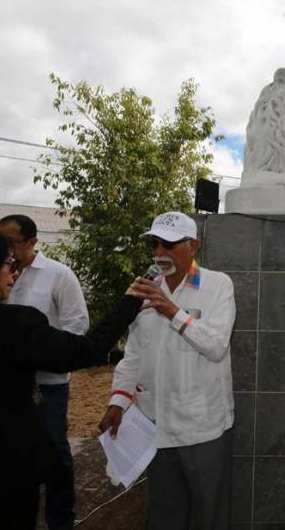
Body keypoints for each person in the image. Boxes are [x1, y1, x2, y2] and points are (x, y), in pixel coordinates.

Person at [0, 222, 148, 529]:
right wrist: (130, 300)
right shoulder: (9, 326)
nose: (14, 272)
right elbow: (85, 350)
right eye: (7, 263)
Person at [98, 211, 236, 530]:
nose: (160, 253)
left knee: (210, 514)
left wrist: (173, 311)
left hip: (202, 426)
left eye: (170, 245)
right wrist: (117, 403)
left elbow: (216, 345)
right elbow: (133, 355)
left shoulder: (217, 285)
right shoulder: (143, 290)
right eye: (155, 244)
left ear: (194, 246)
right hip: (154, 425)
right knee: (165, 514)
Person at [0, 214, 88, 530]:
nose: (5, 249)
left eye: (11, 242)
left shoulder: (58, 275)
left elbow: (78, 328)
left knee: (53, 452)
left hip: (48, 385)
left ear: (33, 242)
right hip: (7, 385)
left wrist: (41, 353)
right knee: (12, 452)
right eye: (1, 241)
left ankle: (60, 520)